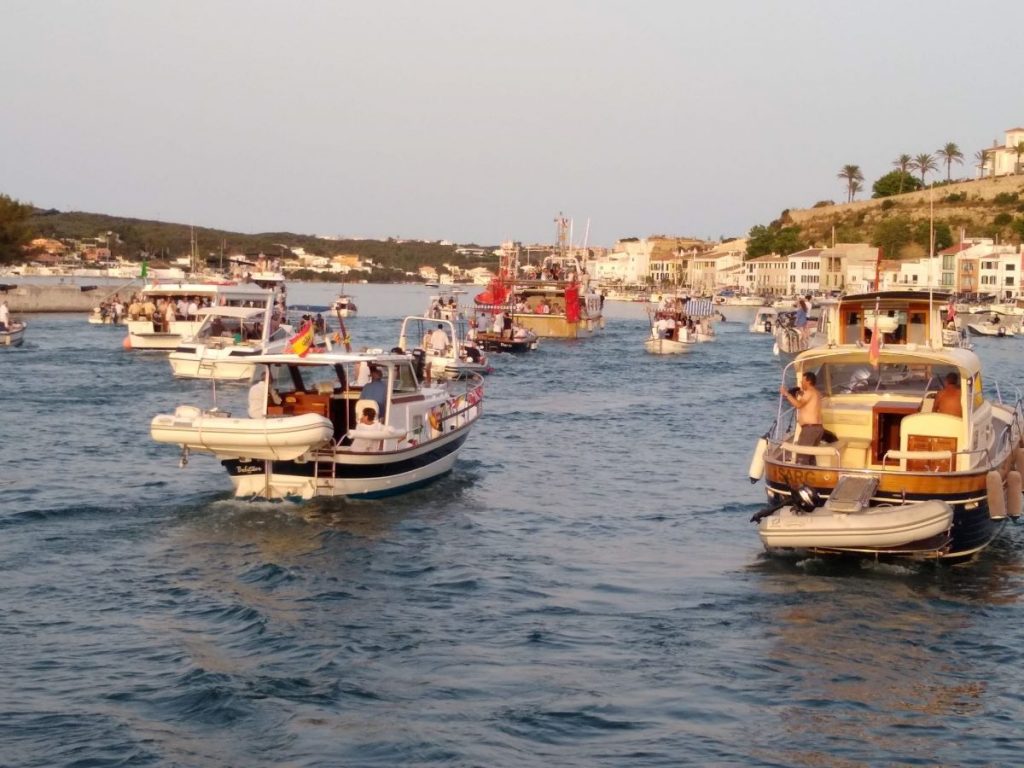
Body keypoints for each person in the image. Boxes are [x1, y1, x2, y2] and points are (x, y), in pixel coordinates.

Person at [780, 371, 823, 465]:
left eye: (802, 381)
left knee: (802, 456)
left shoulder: (810, 392)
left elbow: (798, 405)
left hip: (810, 429)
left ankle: (803, 478)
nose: (801, 383)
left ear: (808, 381)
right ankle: (812, 477)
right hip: (817, 428)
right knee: (811, 456)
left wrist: (787, 394)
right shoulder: (816, 393)